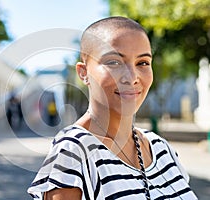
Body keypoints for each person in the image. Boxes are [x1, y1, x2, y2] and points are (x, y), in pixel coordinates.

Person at [28, 16, 197, 200]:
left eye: (142, 63)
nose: (131, 77)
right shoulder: (74, 153)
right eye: (113, 62)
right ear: (83, 73)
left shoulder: (161, 148)